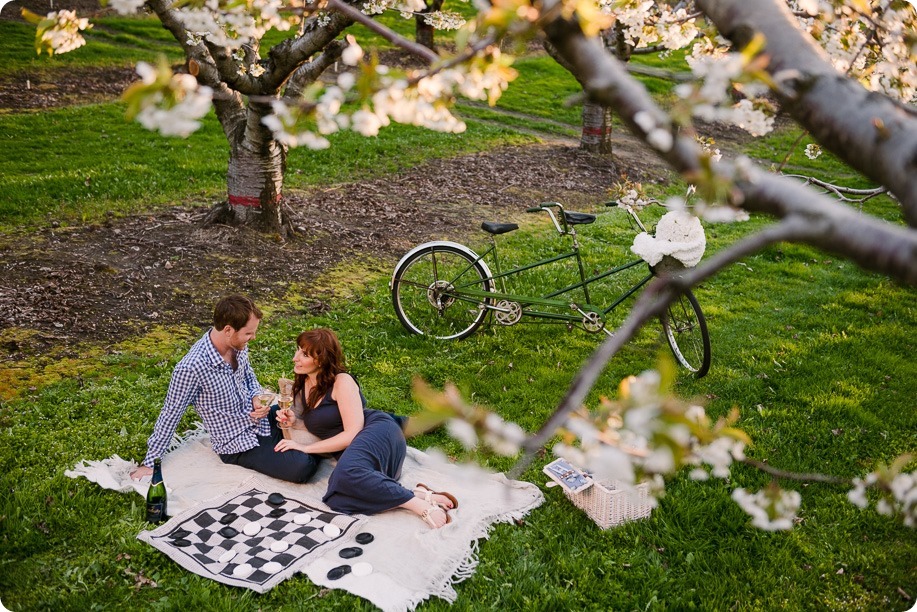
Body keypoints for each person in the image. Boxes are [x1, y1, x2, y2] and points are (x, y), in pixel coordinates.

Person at [274, 328, 457, 528]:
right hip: (355, 453)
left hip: (375, 431)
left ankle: (415, 504)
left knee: (346, 475)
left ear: (321, 359)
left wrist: (305, 448)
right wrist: (294, 422)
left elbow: (352, 433)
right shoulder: (303, 383)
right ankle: (417, 493)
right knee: (336, 498)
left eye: (304, 354)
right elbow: (318, 424)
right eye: (298, 350)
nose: (295, 358)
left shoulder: (342, 382)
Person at [130, 295, 319, 484]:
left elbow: (249, 377)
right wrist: (149, 463)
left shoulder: (237, 345)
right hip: (237, 444)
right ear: (228, 330)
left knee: (313, 415)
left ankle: (307, 444)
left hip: (259, 420)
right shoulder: (191, 368)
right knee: (302, 468)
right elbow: (170, 414)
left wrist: (255, 398)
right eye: (248, 333)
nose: (253, 337)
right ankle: (304, 448)